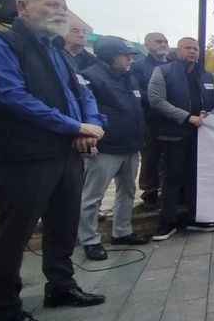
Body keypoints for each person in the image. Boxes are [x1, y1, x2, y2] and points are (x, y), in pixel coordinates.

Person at [0, 0, 107, 320]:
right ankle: (1, 305)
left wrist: (90, 125)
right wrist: (73, 127)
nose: (59, 10)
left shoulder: (57, 51)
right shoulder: (2, 45)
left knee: (63, 225)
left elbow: (82, 94)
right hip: (25, 157)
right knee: (15, 232)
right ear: (22, 6)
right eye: (51, 4)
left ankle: (61, 286)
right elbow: (12, 97)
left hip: (67, 155)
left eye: (63, 5)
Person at [78, 36, 150, 261]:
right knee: (92, 196)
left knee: (127, 191)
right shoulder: (90, 77)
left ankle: (122, 232)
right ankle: (89, 240)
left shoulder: (130, 78)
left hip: (131, 146)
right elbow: (84, 110)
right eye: (125, 55)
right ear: (110, 55)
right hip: (106, 148)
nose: (130, 59)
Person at [148, 37, 214, 240]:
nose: (192, 52)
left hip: (202, 136)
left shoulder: (206, 75)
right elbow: (156, 100)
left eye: (195, 49)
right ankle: (167, 223)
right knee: (172, 179)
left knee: (196, 178)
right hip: (174, 135)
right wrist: (187, 118)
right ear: (178, 50)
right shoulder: (163, 71)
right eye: (187, 48)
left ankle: (193, 218)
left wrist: (209, 117)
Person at [132, 32, 170, 210]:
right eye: (158, 41)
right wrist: (160, 101)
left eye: (165, 41)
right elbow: (136, 91)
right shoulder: (138, 66)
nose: (163, 44)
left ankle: (168, 192)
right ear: (147, 45)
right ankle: (150, 193)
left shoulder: (173, 66)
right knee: (150, 156)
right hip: (150, 119)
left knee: (169, 157)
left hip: (172, 120)